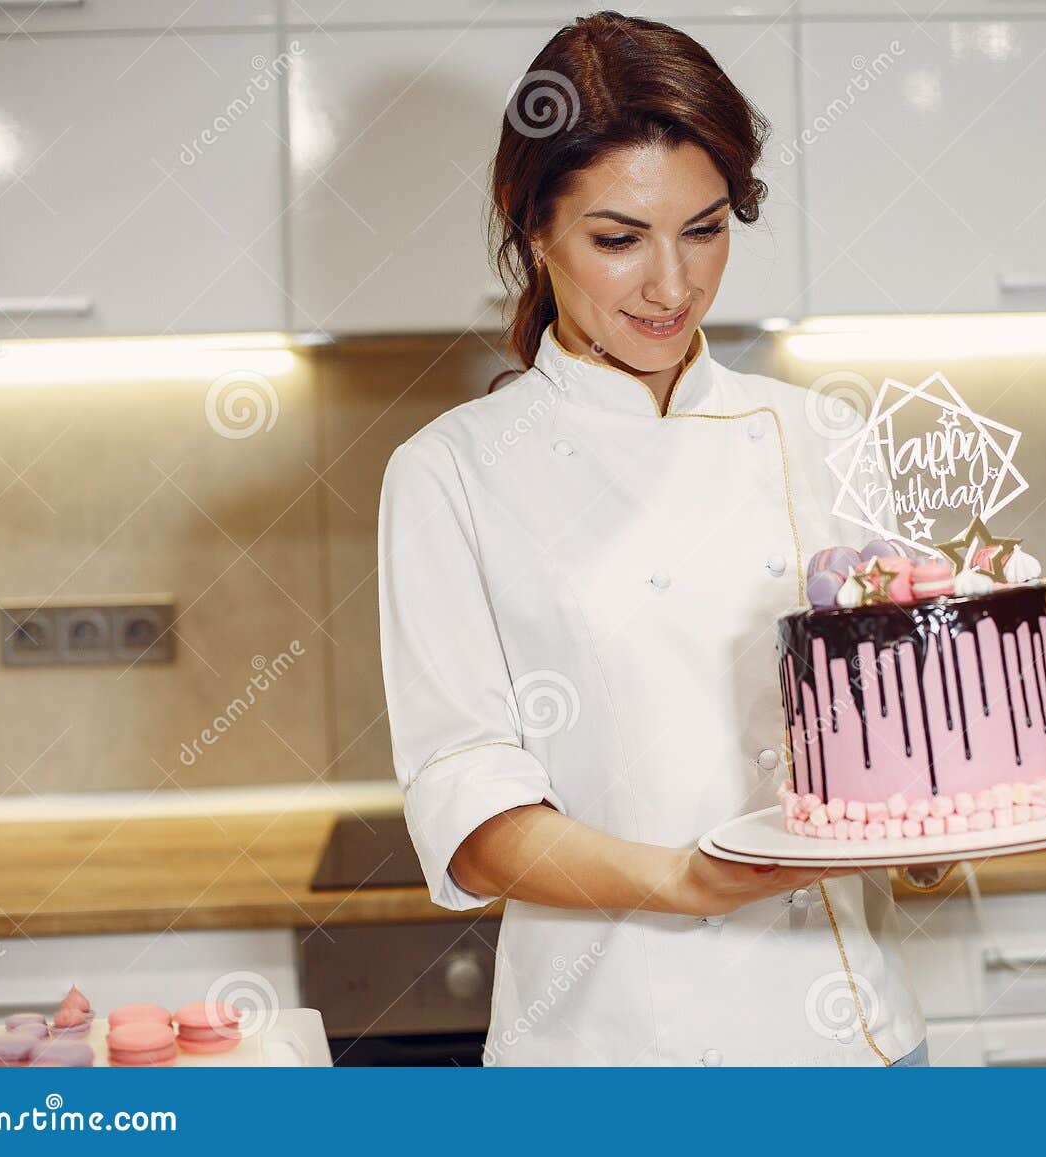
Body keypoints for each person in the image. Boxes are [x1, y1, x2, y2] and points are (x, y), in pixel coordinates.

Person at [378, 10, 932, 1066]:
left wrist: (936, 836)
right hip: (609, 1047)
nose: (672, 286)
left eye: (707, 228)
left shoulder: (818, 431)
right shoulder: (453, 470)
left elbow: (895, 734)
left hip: (852, 1042)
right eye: (618, 239)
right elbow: (469, 808)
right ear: (533, 229)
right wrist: (686, 880)